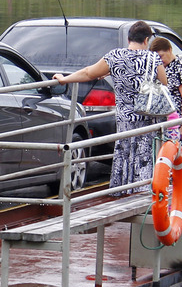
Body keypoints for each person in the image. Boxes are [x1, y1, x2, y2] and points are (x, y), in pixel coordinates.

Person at [53, 20, 168, 190]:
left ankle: (123, 191)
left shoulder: (115, 56)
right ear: (146, 40)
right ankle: (144, 191)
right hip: (147, 119)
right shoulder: (153, 58)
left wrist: (64, 79)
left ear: (129, 39)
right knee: (143, 157)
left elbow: (88, 73)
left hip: (124, 120)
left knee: (124, 155)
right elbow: (163, 85)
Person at [149, 36, 182, 148]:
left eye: (161, 56)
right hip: (158, 120)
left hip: (175, 121)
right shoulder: (157, 67)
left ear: (169, 50)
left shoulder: (181, 67)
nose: (159, 60)